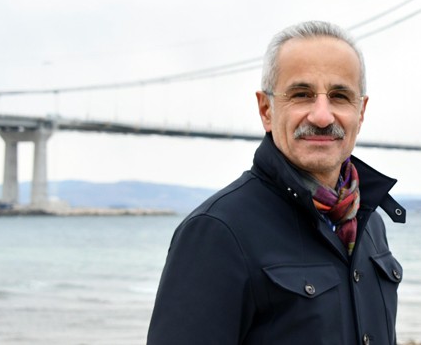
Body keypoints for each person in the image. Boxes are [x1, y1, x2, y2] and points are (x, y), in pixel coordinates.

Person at [147, 21, 406, 344]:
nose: (322, 116)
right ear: (266, 110)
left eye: (340, 96)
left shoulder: (368, 223)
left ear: (361, 112)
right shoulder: (218, 231)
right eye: (301, 95)